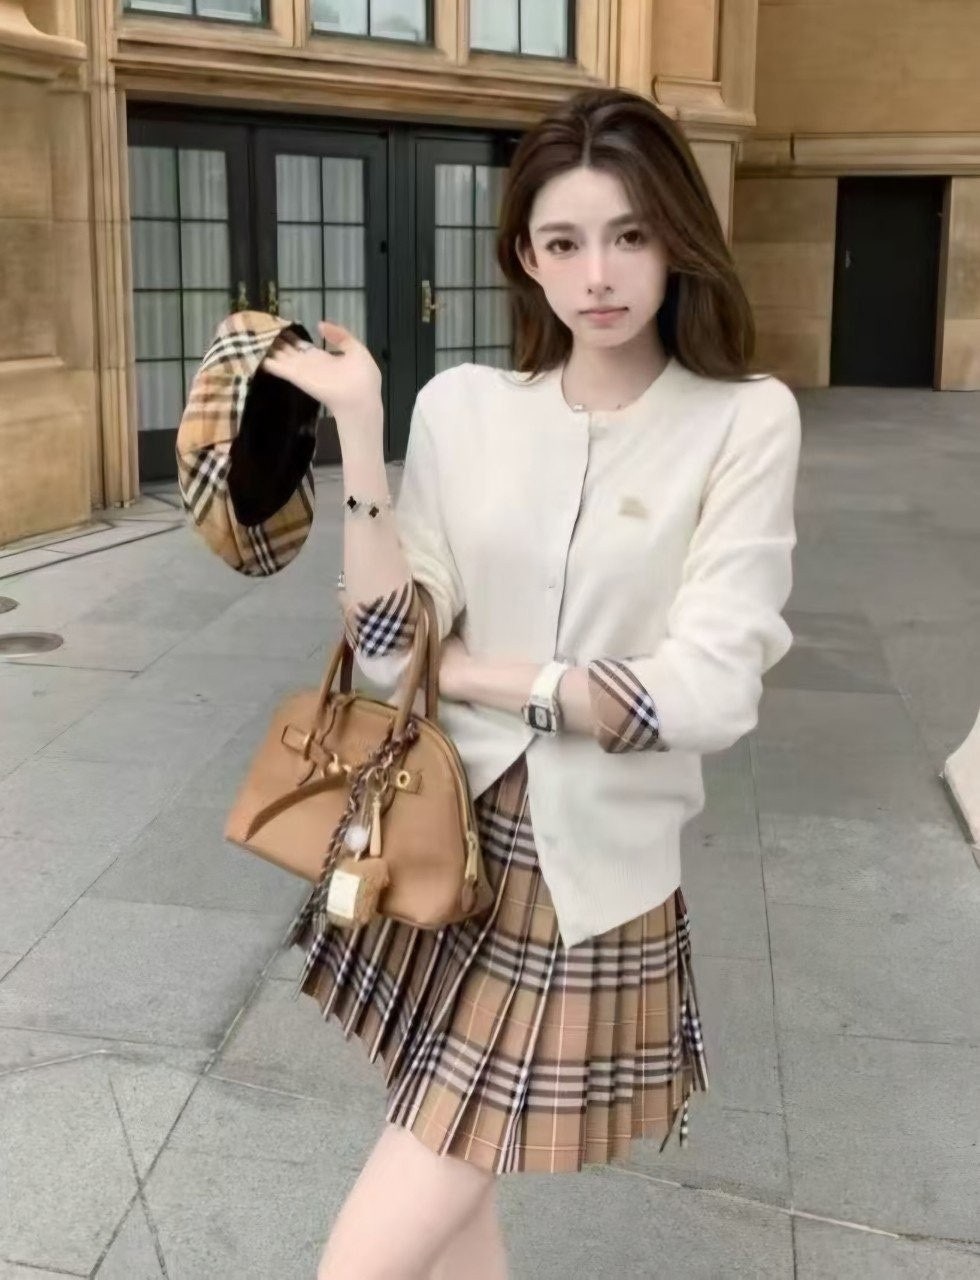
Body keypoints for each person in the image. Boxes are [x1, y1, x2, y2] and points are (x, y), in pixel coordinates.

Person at [257, 86, 801, 1280]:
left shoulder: (741, 421)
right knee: (451, 1173)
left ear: (676, 239)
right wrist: (363, 435)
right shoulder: (463, 407)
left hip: (581, 875)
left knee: (384, 1226)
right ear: (524, 257)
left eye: (629, 234)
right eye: (562, 242)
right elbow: (393, 647)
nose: (596, 274)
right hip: (435, 831)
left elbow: (709, 688)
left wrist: (487, 673)